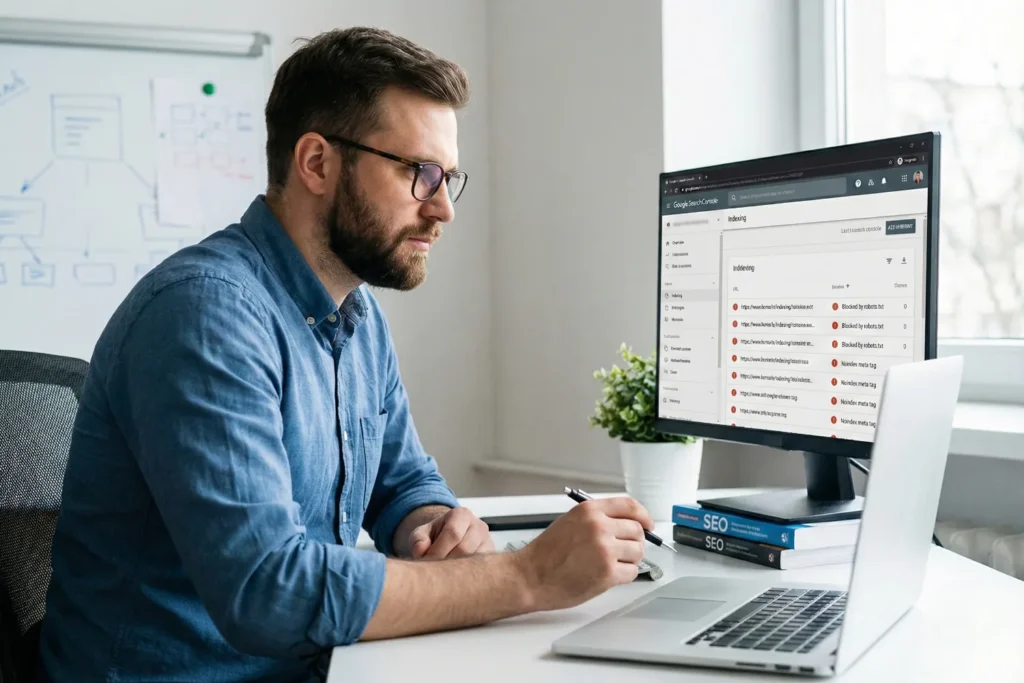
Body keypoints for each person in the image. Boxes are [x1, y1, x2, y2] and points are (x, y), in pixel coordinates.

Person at [36, 26, 653, 683]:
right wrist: (527, 574)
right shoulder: (204, 315)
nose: (442, 207)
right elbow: (267, 590)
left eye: (449, 178)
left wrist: (434, 524)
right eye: (419, 172)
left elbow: (403, 482)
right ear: (317, 163)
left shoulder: (356, 317)